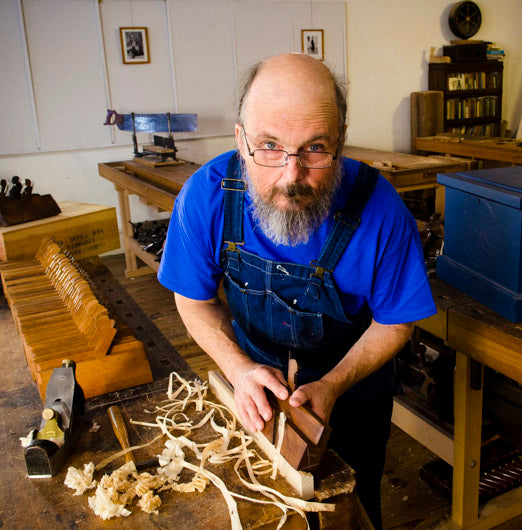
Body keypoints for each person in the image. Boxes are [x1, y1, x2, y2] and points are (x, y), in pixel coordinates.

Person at [158, 52, 436, 528]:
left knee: (352, 502)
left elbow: (396, 320)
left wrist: (330, 385)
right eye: (268, 146)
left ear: (341, 142)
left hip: (349, 384)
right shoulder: (205, 196)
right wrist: (238, 368)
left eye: (314, 149)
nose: (291, 176)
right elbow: (193, 299)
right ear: (240, 138)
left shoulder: (381, 210)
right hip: (252, 384)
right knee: (261, 504)